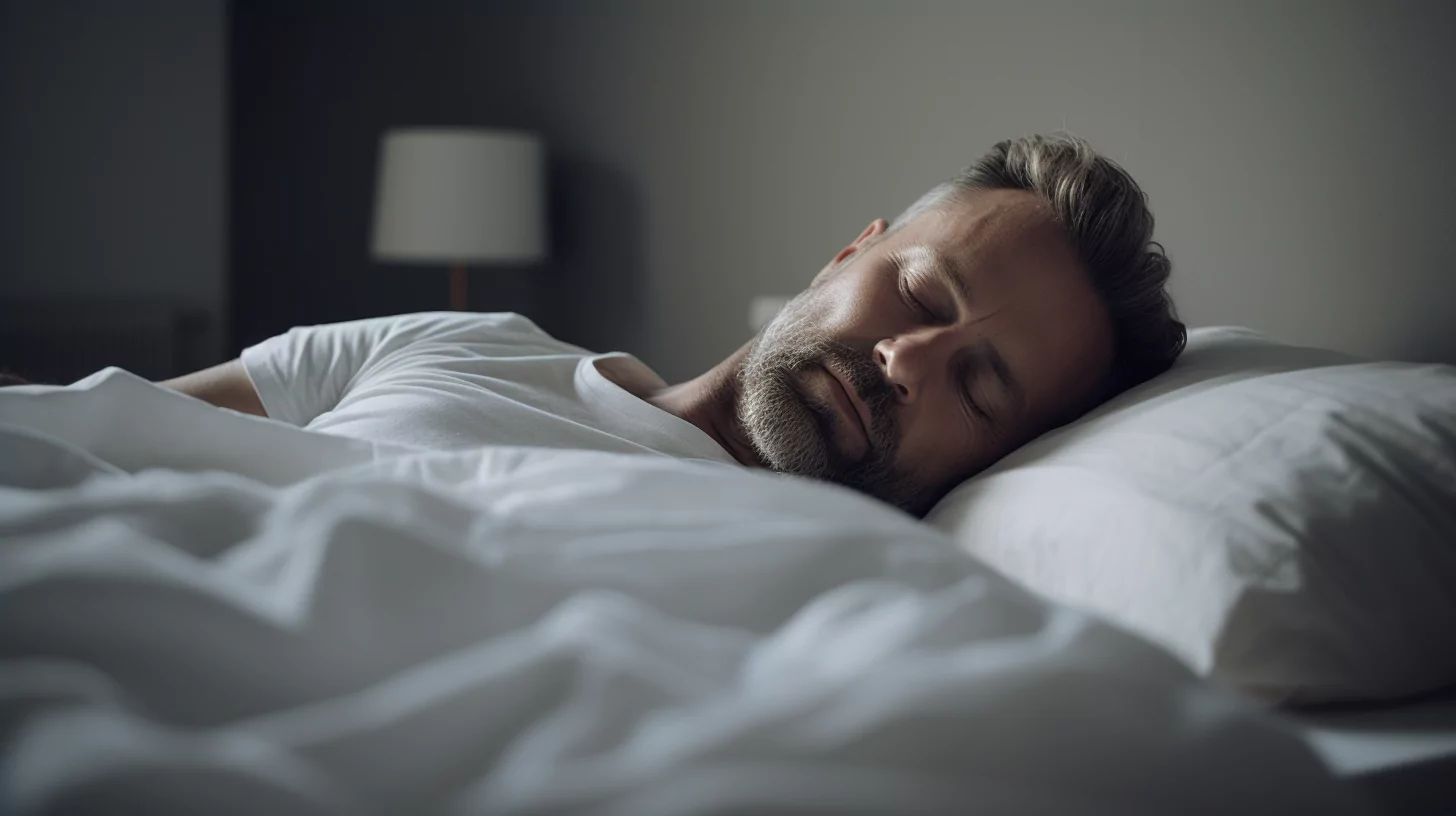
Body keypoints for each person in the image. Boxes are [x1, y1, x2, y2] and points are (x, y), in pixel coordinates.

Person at [164, 133, 1185, 516]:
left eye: (979, 386)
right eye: (920, 296)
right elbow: (85, 428)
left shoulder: (845, 589)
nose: (908, 359)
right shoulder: (457, 343)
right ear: (848, 252)